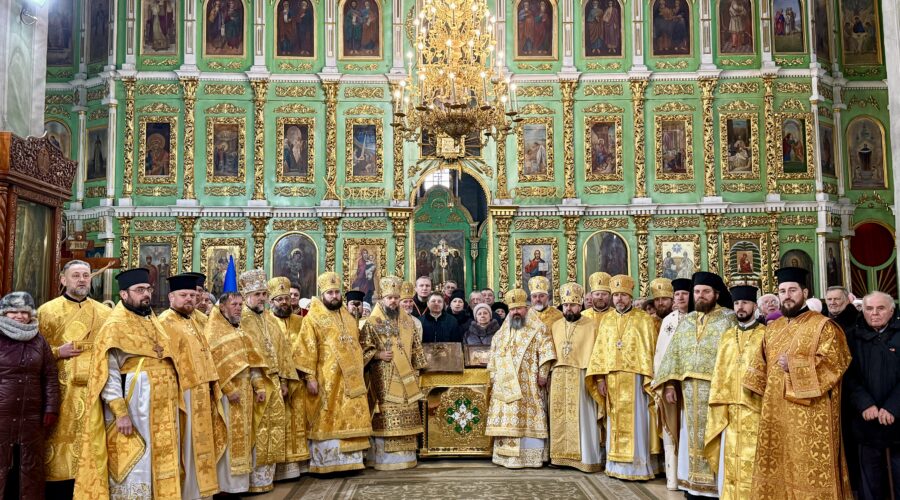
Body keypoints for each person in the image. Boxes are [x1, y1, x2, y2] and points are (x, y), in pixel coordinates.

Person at [74, 268, 184, 498]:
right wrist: (120, 412)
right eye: (139, 290)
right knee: (137, 457)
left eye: (148, 289)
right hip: (136, 404)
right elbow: (108, 373)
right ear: (124, 294)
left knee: (161, 455)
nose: (146, 294)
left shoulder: (152, 320)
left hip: (163, 405)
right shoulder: (114, 326)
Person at [743, 267, 852, 499]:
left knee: (807, 467)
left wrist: (794, 365)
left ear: (805, 292)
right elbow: (759, 364)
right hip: (775, 412)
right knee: (778, 464)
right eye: (782, 291)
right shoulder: (773, 328)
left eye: (792, 290)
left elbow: (836, 362)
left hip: (811, 413)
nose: (787, 295)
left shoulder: (823, 326)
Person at [653, 271, 736, 498]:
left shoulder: (729, 318)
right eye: (697, 291)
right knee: (689, 436)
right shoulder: (688, 320)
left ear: (716, 294)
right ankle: (692, 485)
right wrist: (670, 385)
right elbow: (674, 354)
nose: (700, 296)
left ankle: (715, 487)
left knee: (715, 434)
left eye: (705, 292)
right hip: (688, 391)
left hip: (717, 389)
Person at [37, 260, 111, 498]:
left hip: (95, 391)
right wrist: (58, 351)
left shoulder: (105, 313)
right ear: (63, 279)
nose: (82, 280)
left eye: (86, 275)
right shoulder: (47, 311)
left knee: (92, 444)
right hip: (61, 392)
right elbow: (33, 352)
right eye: (76, 275)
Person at [294, 272, 372, 473]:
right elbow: (304, 349)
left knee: (350, 416)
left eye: (337, 292)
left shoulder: (348, 316)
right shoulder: (312, 318)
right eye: (330, 293)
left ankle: (351, 462)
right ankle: (327, 464)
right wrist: (309, 377)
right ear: (322, 294)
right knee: (326, 417)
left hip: (351, 381)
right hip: (326, 380)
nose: (334, 296)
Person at [158, 274, 225, 500]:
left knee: (201, 444)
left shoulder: (195, 320)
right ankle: (187, 494)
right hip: (183, 392)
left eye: (192, 295)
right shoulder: (164, 322)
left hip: (201, 390)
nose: (189, 298)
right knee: (186, 445)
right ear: (171, 297)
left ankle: (201, 492)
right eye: (183, 295)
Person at [587, 275, 659, 480]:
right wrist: (600, 379)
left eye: (623, 295)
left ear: (630, 297)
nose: (619, 299)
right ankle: (616, 466)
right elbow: (600, 351)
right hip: (611, 379)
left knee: (638, 421)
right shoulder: (608, 320)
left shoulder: (644, 319)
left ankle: (638, 467)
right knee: (614, 422)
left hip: (636, 379)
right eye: (616, 295)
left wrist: (648, 377)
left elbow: (650, 350)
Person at [205, 276, 266, 495]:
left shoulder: (240, 330)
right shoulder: (213, 331)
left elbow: (252, 362)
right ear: (222, 307)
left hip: (246, 393)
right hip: (226, 396)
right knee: (228, 437)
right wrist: (229, 389)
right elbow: (212, 365)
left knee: (244, 437)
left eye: (240, 304)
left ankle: (240, 486)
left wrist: (259, 386)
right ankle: (225, 486)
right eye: (234, 304)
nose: (239, 308)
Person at [238, 270, 298, 492]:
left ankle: (266, 479)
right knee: (256, 429)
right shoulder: (240, 320)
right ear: (246, 296)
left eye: (264, 294)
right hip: (252, 384)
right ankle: (250, 481)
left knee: (274, 429)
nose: (262, 298)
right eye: (257, 294)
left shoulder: (269, 319)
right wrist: (255, 383)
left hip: (274, 382)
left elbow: (282, 352)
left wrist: (284, 380)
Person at [703, 285, 765, 500]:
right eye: (737, 303)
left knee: (753, 455)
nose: (740, 307)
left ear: (754, 306)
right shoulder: (728, 336)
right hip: (729, 407)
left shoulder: (766, 334)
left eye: (745, 303)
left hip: (755, 407)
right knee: (730, 456)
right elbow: (719, 370)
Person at [360, 276, 426, 470]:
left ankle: (406, 457)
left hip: (407, 379)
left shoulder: (408, 322)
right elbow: (362, 350)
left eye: (396, 298)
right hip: (383, 377)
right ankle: (383, 459)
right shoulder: (372, 322)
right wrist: (378, 354)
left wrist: (418, 370)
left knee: (407, 411)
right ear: (382, 298)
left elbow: (416, 348)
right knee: (386, 415)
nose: (393, 301)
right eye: (389, 298)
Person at [485, 289, 556, 468]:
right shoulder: (501, 333)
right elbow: (493, 356)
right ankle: (505, 456)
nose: (515, 312)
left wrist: (543, 374)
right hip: (505, 387)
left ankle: (531, 457)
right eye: (512, 309)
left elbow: (547, 351)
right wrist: (494, 377)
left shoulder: (539, 328)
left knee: (530, 416)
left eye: (519, 309)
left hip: (529, 385)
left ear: (526, 308)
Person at [0, 291, 59, 500]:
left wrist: (51, 408)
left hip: (31, 418)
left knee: (29, 468)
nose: (19, 316)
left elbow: (50, 375)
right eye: (13, 311)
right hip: (2, 416)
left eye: (24, 312)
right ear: (4, 313)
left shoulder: (39, 340)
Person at [844, 292, 900, 500]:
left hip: (897, 421)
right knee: (870, 485)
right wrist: (865, 403)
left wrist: (893, 407)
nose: (874, 313)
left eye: (880, 308)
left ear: (891, 311)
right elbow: (848, 376)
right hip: (866, 423)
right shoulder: (851, 337)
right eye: (869, 308)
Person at [548, 283, 603, 472]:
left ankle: (586, 459)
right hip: (558, 375)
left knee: (583, 417)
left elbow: (597, 354)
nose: (568, 309)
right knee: (559, 417)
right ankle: (559, 457)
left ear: (580, 305)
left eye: (572, 305)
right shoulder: (555, 325)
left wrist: (599, 379)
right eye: (565, 305)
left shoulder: (591, 325)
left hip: (581, 374)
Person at [266, 277, 309, 482]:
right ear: (271, 301)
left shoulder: (301, 322)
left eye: (286, 298)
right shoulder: (266, 322)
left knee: (299, 420)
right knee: (279, 423)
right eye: (279, 299)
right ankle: (281, 468)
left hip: (299, 381)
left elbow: (308, 349)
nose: (284, 302)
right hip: (276, 381)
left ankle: (300, 464)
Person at [654, 276, 692, 490]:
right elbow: (662, 353)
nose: (680, 298)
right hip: (672, 384)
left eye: (684, 294)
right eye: (677, 294)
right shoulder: (668, 321)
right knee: (671, 428)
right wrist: (666, 383)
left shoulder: (698, 318)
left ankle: (689, 477)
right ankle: (673, 479)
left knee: (689, 427)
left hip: (692, 382)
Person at [826, 285, 861, 493]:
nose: (833, 303)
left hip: (851, 389)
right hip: (836, 388)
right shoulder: (829, 322)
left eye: (837, 299)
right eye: (829, 300)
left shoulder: (856, 321)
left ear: (848, 300)